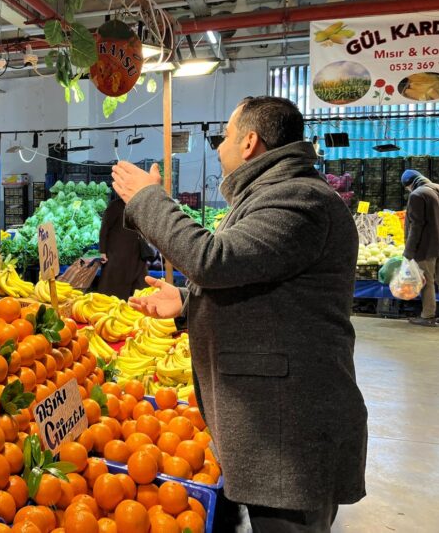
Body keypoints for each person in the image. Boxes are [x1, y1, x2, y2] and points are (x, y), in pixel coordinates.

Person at [112, 96, 367, 531]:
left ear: (249, 142)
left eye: (226, 135)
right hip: (276, 424)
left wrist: (150, 200)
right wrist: (189, 305)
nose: (218, 146)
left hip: (289, 431)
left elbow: (215, 260)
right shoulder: (274, 194)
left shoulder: (298, 199)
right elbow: (266, 290)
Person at [401, 169, 439, 326]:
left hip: (426, 247)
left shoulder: (417, 195)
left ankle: (427, 316)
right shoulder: (437, 188)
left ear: (409, 184)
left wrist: (408, 252)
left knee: (427, 281)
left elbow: (416, 226)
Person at [96, 197, 154, 299]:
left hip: (136, 253)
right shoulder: (115, 206)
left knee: (142, 289)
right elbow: (104, 228)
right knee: (113, 289)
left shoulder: (140, 205)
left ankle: (141, 309)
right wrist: (102, 251)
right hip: (117, 254)